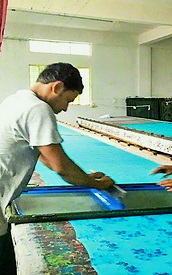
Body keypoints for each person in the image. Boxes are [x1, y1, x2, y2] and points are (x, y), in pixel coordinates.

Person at [0, 62, 115, 273]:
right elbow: (61, 167)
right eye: (68, 100)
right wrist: (95, 184)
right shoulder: (38, 109)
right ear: (57, 87)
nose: (65, 108)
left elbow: (44, 154)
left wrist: (83, 176)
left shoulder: (15, 100)